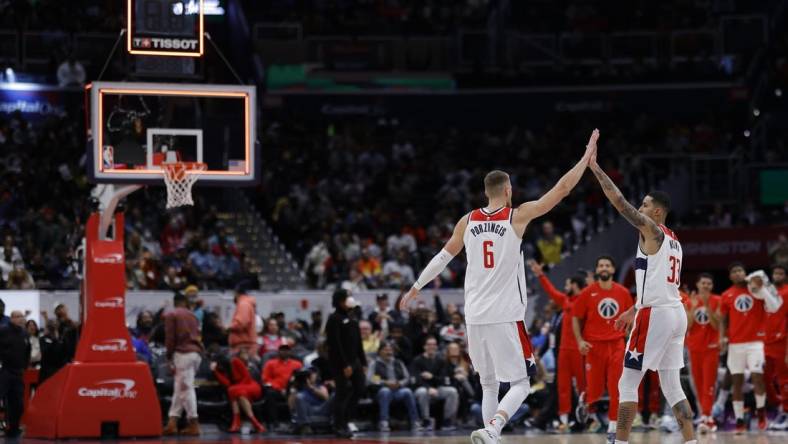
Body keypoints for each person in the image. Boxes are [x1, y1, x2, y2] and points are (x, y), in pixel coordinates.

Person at [400, 130, 598, 444]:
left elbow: (442, 257)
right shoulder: (516, 216)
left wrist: (415, 287)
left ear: (486, 191)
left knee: (489, 384)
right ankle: (494, 428)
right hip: (504, 315)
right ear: (508, 190)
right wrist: (585, 159)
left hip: (474, 316)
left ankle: (489, 436)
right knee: (521, 382)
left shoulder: (467, 221)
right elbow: (560, 190)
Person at [587, 144, 696, 444]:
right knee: (672, 386)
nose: (641, 207)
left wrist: (595, 169)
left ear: (657, 212)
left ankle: (619, 442)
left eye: (646, 205)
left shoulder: (653, 230)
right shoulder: (675, 240)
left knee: (627, 381)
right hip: (673, 313)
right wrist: (635, 307)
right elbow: (657, 280)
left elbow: (620, 203)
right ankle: (692, 442)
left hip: (658, 313)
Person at [571, 255, 633, 437]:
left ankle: (613, 427)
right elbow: (576, 318)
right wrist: (580, 341)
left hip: (616, 344)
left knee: (616, 387)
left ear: (613, 270)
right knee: (595, 390)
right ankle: (586, 400)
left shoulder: (623, 292)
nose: (604, 268)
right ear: (597, 270)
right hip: (594, 346)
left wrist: (629, 334)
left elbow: (631, 316)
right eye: (601, 266)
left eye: (607, 265)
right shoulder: (587, 292)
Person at [719, 262, 783, 432]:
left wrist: (762, 287)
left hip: (755, 343)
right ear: (730, 276)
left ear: (745, 273)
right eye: (734, 271)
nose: (738, 273)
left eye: (740, 270)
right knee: (736, 383)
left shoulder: (755, 289)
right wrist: (722, 338)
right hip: (735, 345)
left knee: (757, 378)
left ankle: (761, 412)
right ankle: (739, 420)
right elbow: (724, 319)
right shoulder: (726, 295)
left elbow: (775, 306)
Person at [529, 259, 586, 432]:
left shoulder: (585, 301)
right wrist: (540, 275)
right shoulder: (566, 301)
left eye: (568, 284)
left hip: (579, 351)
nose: (565, 286)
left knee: (583, 386)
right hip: (563, 351)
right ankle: (564, 421)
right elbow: (550, 291)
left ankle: (587, 418)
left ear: (575, 285)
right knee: (562, 387)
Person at [325, 289, 367, 438]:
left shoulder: (353, 318)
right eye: (346, 297)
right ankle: (338, 425)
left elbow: (358, 342)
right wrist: (345, 365)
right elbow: (335, 344)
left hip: (355, 362)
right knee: (342, 393)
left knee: (360, 388)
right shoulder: (333, 319)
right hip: (340, 363)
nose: (349, 300)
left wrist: (363, 361)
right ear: (340, 301)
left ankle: (346, 419)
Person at [684, 274, 721, 433]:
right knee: (698, 384)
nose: (705, 285)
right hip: (694, 348)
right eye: (703, 283)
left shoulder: (717, 300)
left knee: (709, 384)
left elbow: (716, 325)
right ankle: (706, 416)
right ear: (698, 284)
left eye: (709, 283)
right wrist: (692, 308)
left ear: (712, 286)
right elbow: (688, 326)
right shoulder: (690, 300)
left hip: (711, 348)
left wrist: (707, 305)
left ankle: (707, 416)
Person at [163, 293, 204, 436]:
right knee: (180, 389)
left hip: (183, 354)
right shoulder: (193, 315)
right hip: (196, 353)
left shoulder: (171, 315)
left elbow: (170, 338)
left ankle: (194, 423)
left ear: (175, 303)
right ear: (185, 302)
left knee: (186, 389)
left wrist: (168, 356)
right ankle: (172, 423)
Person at [368, 341, 420, 432]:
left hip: (397, 389)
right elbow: (370, 379)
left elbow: (407, 377)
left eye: (390, 350)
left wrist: (399, 383)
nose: (389, 352)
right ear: (380, 351)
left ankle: (415, 421)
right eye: (386, 350)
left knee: (407, 391)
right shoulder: (375, 363)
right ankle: (384, 422)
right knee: (385, 391)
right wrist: (385, 382)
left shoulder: (398, 362)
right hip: (380, 391)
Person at [211, 348, 266, 433]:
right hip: (239, 391)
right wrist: (216, 371)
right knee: (238, 395)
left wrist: (237, 387)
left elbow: (247, 377)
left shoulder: (235, 361)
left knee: (233, 391)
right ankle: (255, 423)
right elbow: (227, 384)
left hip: (250, 385)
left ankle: (237, 422)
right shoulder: (222, 369)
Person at [411, 336, 459, 430]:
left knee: (452, 391)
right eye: (429, 344)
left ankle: (447, 421)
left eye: (434, 345)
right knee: (423, 392)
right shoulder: (417, 360)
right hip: (422, 388)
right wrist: (428, 388)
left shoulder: (440, 360)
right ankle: (426, 421)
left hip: (437, 389)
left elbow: (444, 379)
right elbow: (416, 380)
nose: (431, 347)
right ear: (424, 346)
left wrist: (432, 377)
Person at [764, 264, 788, 430]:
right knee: (763, 378)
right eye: (775, 272)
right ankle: (778, 405)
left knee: (784, 379)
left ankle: (786, 412)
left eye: (780, 273)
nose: (777, 275)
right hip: (764, 342)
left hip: (781, 342)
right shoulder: (767, 292)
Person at [0, 311, 30, 437]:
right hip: (5, 371)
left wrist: (25, 366)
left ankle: (14, 428)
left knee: (18, 403)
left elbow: (28, 350)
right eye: (17, 317)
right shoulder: (3, 330)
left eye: (22, 316)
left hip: (18, 372)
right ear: (11, 318)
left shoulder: (24, 333)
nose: (20, 319)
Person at [261, 344, 303, 430]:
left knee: (299, 393)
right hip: (276, 390)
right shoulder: (270, 363)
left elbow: (300, 378)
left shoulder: (297, 364)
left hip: (292, 389)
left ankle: (297, 421)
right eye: (282, 350)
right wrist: (279, 389)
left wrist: (291, 388)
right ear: (278, 352)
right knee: (270, 394)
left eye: (287, 350)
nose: (284, 352)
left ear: (290, 352)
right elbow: (265, 379)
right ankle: (273, 422)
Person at [289, 367, 331, 434]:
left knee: (334, 396)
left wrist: (311, 387)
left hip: (321, 409)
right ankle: (305, 426)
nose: (311, 376)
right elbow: (291, 407)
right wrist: (294, 387)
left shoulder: (320, 386)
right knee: (299, 397)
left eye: (312, 373)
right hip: (307, 410)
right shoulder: (298, 389)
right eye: (309, 374)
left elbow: (326, 398)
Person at [229, 288, 257, 357]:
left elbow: (240, 324)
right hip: (245, 346)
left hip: (243, 347)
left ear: (237, 294)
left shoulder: (243, 304)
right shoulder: (246, 304)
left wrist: (228, 328)